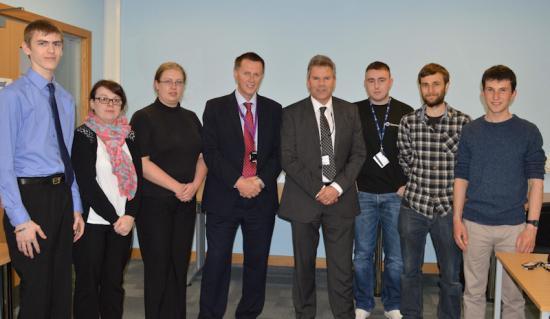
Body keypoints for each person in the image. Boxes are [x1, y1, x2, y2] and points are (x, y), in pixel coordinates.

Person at [0, 19, 85, 318]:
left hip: (61, 195)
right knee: (36, 290)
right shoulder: (11, 96)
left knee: (63, 287)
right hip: (29, 198)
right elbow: (3, 164)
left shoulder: (64, 98)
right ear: (26, 48)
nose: (51, 50)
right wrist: (20, 220)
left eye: (56, 44)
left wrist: (75, 206)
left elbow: (67, 157)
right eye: (42, 43)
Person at [453, 65, 546, 319]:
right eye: (490, 90)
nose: (496, 96)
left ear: (513, 94)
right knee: (472, 293)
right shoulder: (471, 131)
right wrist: (456, 219)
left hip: (514, 228)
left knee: (514, 298)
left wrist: (532, 226)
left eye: (502, 90)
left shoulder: (528, 132)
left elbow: (536, 182)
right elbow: (461, 178)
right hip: (474, 224)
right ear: (482, 93)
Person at [279, 54, 366, 319]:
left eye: (326, 78)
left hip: (341, 201)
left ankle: (344, 315)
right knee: (303, 267)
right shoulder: (291, 113)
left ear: (334, 81)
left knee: (341, 269)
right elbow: (288, 158)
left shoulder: (350, 111)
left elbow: (358, 154)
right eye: (316, 78)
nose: (321, 83)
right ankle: (304, 314)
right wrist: (320, 189)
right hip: (304, 200)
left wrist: (336, 187)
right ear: (308, 81)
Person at [199, 52, 282, 319]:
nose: (251, 79)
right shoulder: (215, 107)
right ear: (236, 73)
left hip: (261, 197)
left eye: (257, 74)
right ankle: (210, 314)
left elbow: (278, 155)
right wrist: (238, 181)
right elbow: (210, 152)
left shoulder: (273, 109)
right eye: (246, 73)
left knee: (257, 263)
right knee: (217, 262)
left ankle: (248, 313)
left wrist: (257, 180)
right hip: (224, 196)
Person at [130, 62, 207, 318]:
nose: (174, 87)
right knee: (158, 268)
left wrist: (194, 186)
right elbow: (142, 163)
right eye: (168, 81)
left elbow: (203, 157)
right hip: (154, 205)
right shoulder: (143, 117)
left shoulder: (191, 118)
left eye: (178, 82)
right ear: (156, 84)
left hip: (184, 204)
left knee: (178, 267)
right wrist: (178, 187)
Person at [397, 63, 470, 319]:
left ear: (446, 86)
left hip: (449, 210)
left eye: (436, 84)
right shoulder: (408, 122)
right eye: (425, 84)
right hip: (414, 207)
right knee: (409, 272)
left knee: (451, 276)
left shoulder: (463, 123)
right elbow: (404, 159)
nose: (430, 89)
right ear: (420, 88)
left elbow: (467, 166)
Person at [71, 80, 142, 319]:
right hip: (93, 223)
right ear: (92, 103)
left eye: (116, 100)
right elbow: (87, 183)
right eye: (103, 99)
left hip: (123, 223)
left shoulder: (129, 135)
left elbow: (137, 178)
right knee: (87, 286)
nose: (110, 104)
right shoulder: (83, 135)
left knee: (114, 285)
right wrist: (115, 218)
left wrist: (130, 215)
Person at [353, 61, 413, 319]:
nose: (376, 85)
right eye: (371, 80)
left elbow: (415, 152)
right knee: (362, 255)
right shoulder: (353, 111)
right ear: (365, 82)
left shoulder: (405, 112)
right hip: (362, 194)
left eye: (381, 80)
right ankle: (363, 304)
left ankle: (392, 304)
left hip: (395, 196)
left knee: (396, 257)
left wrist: (409, 182)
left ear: (391, 81)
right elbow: (344, 150)